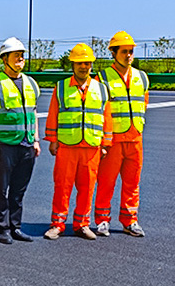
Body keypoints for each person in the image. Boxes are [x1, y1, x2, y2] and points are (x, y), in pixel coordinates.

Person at [43, 43, 112, 241]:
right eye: (79, 63)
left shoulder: (101, 89)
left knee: (87, 188)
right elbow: (53, 114)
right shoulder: (61, 87)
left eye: (87, 63)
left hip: (91, 147)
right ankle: (57, 224)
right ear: (72, 65)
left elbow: (106, 117)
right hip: (67, 146)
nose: (83, 67)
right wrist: (52, 140)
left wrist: (106, 144)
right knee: (62, 187)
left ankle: (82, 224)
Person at [0, 37, 39, 244]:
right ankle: (3, 228)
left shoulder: (31, 83)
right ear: (4, 59)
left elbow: (33, 112)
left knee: (19, 190)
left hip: (27, 143)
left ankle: (16, 227)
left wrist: (36, 140)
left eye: (22, 55)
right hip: (5, 144)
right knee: (2, 189)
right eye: (16, 55)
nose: (20, 59)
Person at [94, 30, 149, 238]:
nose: (128, 55)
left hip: (135, 139)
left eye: (131, 51)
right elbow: (98, 111)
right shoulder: (102, 78)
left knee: (132, 183)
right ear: (114, 53)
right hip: (113, 141)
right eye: (124, 51)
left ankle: (130, 220)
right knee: (106, 182)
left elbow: (144, 104)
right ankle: (102, 220)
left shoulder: (141, 77)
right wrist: (103, 140)